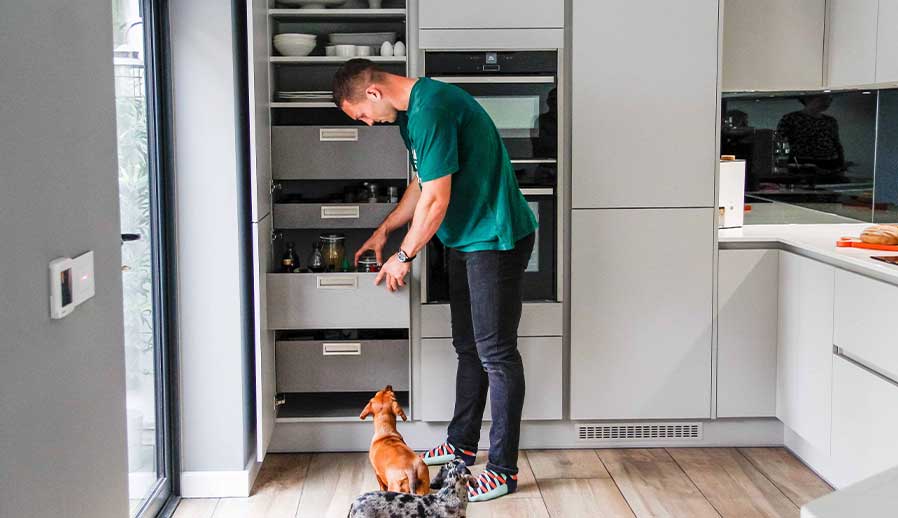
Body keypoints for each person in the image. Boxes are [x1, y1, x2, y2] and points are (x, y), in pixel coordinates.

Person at [332, 59, 537, 502]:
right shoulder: (412, 117)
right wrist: (384, 231)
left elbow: (437, 201)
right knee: (469, 347)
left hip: (495, 238)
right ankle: (462, 443)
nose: (368, 123)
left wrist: (404, 255)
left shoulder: (434, 108)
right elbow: (423, 184)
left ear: (372, 93)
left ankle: (502, 470)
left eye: (363, 115)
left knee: (497, 355)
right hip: (467, 240)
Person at [776, 94, 845, 172]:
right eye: (822, 99)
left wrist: (841, 163)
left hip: (829, 163)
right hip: (801, 163)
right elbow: (779, 141)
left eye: (829, 100)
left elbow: (836, 143)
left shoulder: (830, 121)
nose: (827, 103)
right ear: (808, 99)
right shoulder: (790, 118)